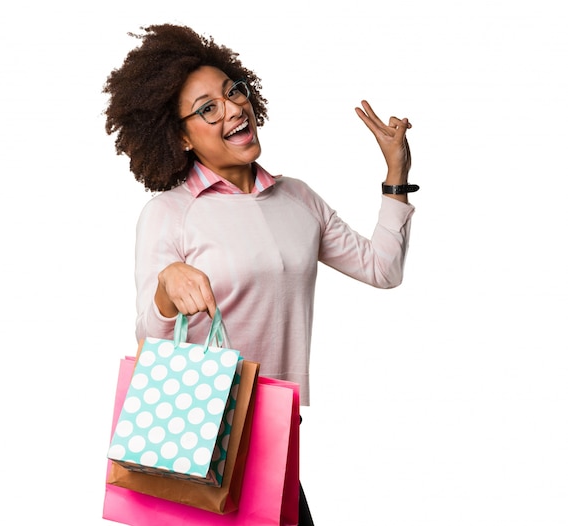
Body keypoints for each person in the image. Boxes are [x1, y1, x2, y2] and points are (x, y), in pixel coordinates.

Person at [103, 23, 417, 526]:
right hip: (195, 438)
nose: (232, 109)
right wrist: (166, 291)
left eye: (233, 92)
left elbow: (383, 269)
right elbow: (149, 337)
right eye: (207, 108)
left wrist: (396, 176)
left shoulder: (297, 199)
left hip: (274, 433)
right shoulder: (170, 213)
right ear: (181, 136)